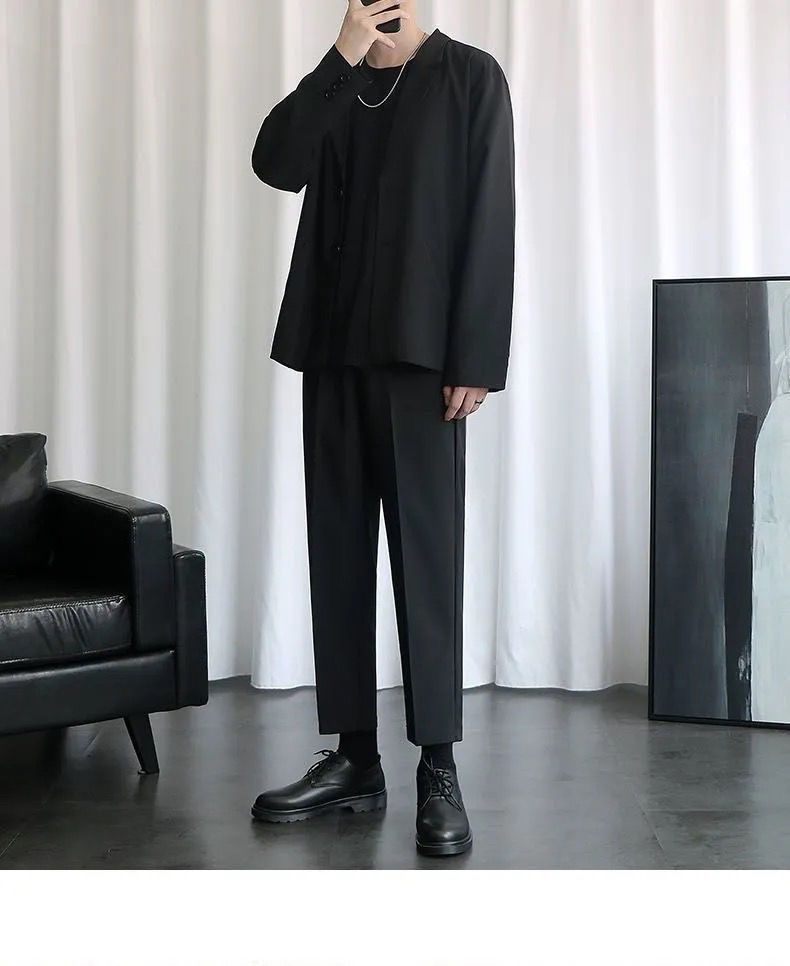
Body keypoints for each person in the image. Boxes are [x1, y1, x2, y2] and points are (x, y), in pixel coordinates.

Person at [249, 0, 515, 857]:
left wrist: (476, 356)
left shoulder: (470, 79)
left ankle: (438, 765)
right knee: (336, 555)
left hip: (421, 364)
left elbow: (491, 215)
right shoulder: (338, 82)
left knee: (426, 563)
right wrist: (341, 56)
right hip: (331, 352)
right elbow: (275, 162)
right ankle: (354, 757)